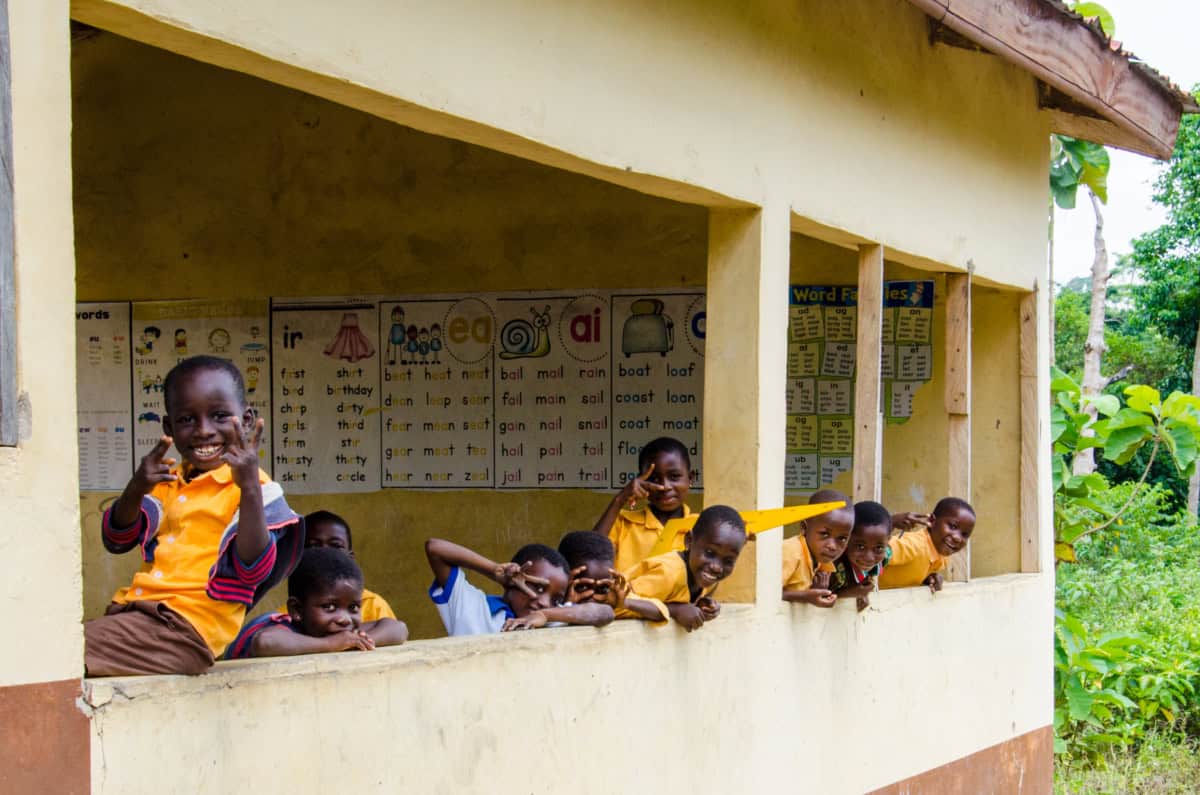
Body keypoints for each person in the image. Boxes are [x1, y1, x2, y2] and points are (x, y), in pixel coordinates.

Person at [85, 356, 303, 676]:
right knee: (58, 649)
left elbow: (252, 569)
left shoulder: (258, 490)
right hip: (141, 617)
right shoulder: (169, 480)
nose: (203, 431)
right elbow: (117, 539)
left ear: (245, 420)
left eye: (219, 416)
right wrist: (136, 487)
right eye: (187, 420)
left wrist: (249, 489)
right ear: (169, 428)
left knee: (59, 654)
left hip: (184, 632)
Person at [224, 548, 407, 659]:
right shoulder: (282, 628)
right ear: (297, 610)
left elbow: (398, 629)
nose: (344, 619)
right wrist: (331, 644)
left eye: (353, 608)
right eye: (329, 607)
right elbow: (265, 642)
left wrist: (359, 642)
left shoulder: (337, 632)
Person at [425, 539, 614, 635]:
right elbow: (434, 548)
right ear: (512, 582)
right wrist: (494, 571)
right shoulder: (470, 606)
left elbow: (604, 613)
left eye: (555, 599)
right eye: (538, 588)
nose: (544, 602)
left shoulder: (549, 619)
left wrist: (547, 615)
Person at [617, 505, 747, 631]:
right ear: (689, 540)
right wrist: (674, 610)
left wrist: (700, 604)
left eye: (728, 560)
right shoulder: (668, 573)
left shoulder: (702, 576)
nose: (717, 567)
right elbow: (618, 605)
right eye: (709, 553)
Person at [592, 436, 694, 571]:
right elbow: (591, 555)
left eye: (674, 476)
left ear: (691, 478)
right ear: (640, 482)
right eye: (654, 479)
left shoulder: (698, 527)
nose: (664, 486)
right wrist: (620, 499)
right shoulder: (623, 523)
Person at [276, 510, 396, 621]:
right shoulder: (285, 616)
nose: (325, 554)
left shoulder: (373, 606)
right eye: (313, 546)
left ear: (351, 558)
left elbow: (396, 630)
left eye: (336, 546)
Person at [879, 497, 976, 592]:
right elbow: (873, 552)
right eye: (953, 526)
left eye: (964, 534)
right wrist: (890, 522)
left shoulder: (941, 556)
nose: (958, 538)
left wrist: (926, 578)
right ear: (932, 521)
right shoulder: (914, 545)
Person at [781, 489, 854, 608]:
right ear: (804, 528)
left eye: (842, 538)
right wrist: (805, 597)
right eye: (824, 534)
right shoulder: (791, 552)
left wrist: (817, 592)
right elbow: (764, 594)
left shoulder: (820, 561)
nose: (832, 546)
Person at [831, 501, 893, 612]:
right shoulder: (832, 565)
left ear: (888, 541)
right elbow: (820, 595)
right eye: (860, 546)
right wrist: (851, 593)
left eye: (878, 548)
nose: (869, 558)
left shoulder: (886, 555)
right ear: (846, 538)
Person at [557, 531, 629, 607]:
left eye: (603, 589)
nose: (592, 599)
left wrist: (616, 607)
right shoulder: (547, 610)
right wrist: (567, 605)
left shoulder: (610, 604)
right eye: (582, 587)